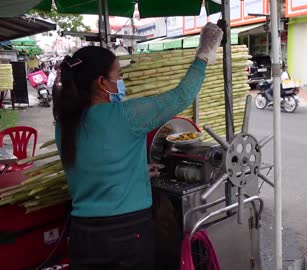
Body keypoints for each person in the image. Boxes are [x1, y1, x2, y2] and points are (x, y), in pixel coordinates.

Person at [54, 22, 223, 270]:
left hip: (83, 235)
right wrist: (204, 53)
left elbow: (93, 168)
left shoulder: (64, 125)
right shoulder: (125, 115)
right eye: (118, 76)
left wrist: (135, 174)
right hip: (126, 234)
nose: (121, 82)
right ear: (102, 82)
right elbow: (182, 96)